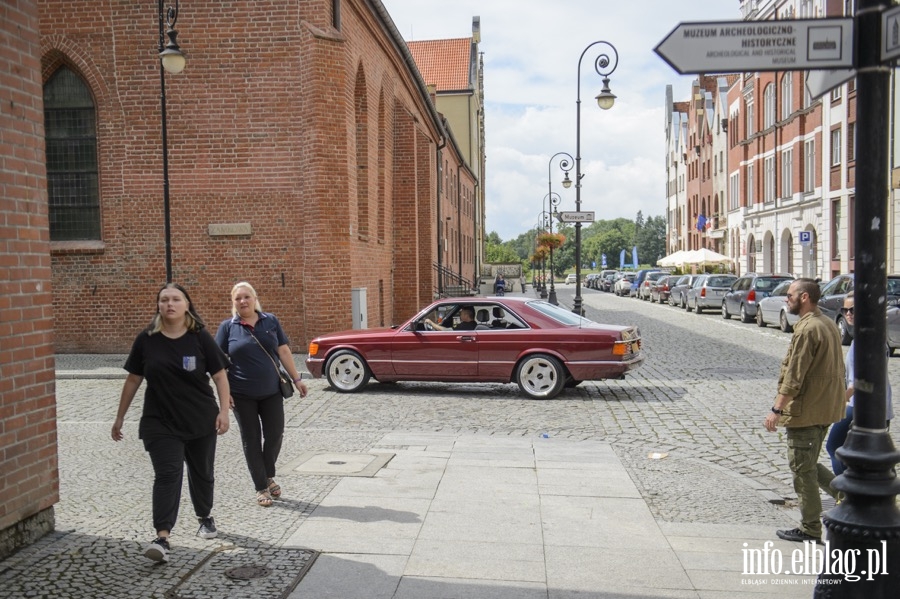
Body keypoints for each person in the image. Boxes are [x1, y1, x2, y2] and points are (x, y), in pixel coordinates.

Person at [111, 283, 231, 563]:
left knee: (202, 472)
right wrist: (120, 416)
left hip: (200, 418)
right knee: (168, 474)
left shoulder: (199, 337)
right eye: (164, 300)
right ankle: (162, 537)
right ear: (158, 306)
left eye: (176, 299)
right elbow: (133, 379)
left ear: (187, 304)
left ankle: (204, 516)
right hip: (159, 421)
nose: (170, 304)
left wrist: (224, 411)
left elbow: (220, 375)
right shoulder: (147, 339)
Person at [764, 278, 845, 544]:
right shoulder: (828, 324)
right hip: (824, 409)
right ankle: (848, 496)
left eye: (790, 295)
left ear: (805, 297)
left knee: (801, 469)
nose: (787, 299)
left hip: (807, 411)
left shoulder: (808, 329)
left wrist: (777, 408)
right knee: (807, 463)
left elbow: (794, 376)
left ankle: (810, 528)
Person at [216, 282, 308, 508]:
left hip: (271, 391)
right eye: (238, 298)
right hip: (241, 395)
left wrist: (297, 380)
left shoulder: (270, 321)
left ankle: (267, 474)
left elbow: (283, 350)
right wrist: (224, 394)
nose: (243, 301)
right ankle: (261, 486)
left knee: (275, 434)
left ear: (254, 299)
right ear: (233, 302)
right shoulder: (228, 327)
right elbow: (218, 364)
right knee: (251, 440)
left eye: (247, 297)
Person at [825, 295, 894, 475]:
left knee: (835, 447)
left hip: (862, 405)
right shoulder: (866, 335)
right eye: (845, 310)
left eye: (853, 310)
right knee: (867, 454)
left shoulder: (868, 338)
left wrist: (842, 398)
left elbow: (862, 379)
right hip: (869, 405)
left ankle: (846, 493)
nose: (848, 314)